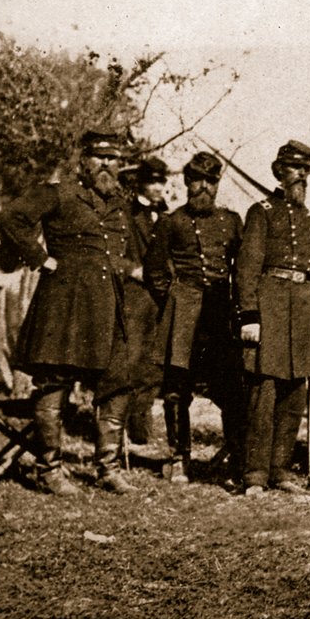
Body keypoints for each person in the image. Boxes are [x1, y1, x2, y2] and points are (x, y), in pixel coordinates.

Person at [0, 128, 138, 495]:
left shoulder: (120, 202)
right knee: (54, 385)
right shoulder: (58, 192)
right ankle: (50, 470)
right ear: (84, 161)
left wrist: (127, 269)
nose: (106, 164)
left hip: (107, 305)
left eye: (113, 159)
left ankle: (107, 468)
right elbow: (9, 219)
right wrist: (41, 258)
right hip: (65, 304)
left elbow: (111, 254)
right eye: (99, 157)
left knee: (118, 381)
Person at [235, 140, 310, 495]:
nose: (302, 177)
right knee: (264, 393)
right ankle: (255, 475)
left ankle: (280, 470)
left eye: (306, 170)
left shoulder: (309, 218)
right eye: (296, 169)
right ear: (279, 172)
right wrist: (250, 315)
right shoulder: (261, 212)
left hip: (302, 308)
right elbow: (247, 268)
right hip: (271, 306)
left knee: (293, 394)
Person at [144, 151, 245, 484]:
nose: (204, 187)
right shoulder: (172, 223)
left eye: (211, 181)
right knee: (176, 391)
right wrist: (174, 300)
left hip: (218, 314)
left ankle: (235, 455)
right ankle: (179, 456)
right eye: (197, 180)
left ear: (217, 184)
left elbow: (241, 270)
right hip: (183, 315)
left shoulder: (231, 221)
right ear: (187, 182)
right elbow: (155, 271)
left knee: (231, 388)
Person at [123, 156, 169, 447]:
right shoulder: (126, 214)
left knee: (154, 366)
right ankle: (126, 428)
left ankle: (142, 431)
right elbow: (112, 252)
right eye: (152, 181)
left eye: (161, 181)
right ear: (140, 183)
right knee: (132, 362)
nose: (157, 187)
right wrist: (132, 269)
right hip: (134, 296)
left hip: (159, 298)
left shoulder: (166, 216)